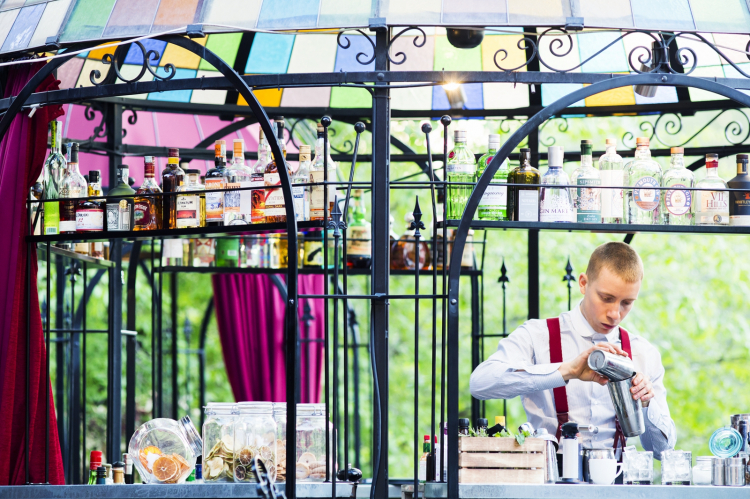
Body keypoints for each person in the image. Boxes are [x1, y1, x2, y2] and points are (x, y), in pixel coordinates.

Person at [470, 242, 675, 459]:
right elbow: (480, 383)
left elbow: (662, 452)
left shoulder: (644, 353)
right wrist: (566, 371)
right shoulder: (537, 335)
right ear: (583, 283)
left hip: (615, 485)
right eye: (606, 298)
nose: (615, 314)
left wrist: (646, 402)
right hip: (548, 481)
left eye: (626, 302)